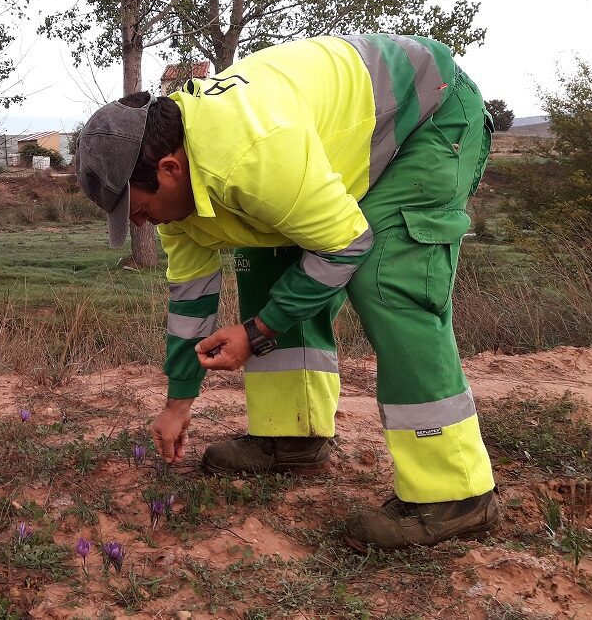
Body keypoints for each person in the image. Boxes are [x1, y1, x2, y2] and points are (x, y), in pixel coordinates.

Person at [75, 34, 500, 550]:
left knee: (387, 280)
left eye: (138, 209)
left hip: (425, 112)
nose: (140, 223)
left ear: (170, 168)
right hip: (326, 141)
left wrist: (258, 331)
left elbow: (345, 245)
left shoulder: (251, 153)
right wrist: (178, 403)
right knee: (268, 263)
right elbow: (190, 299)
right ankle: (292, 436)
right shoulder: (182, 185)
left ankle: (455, 494)